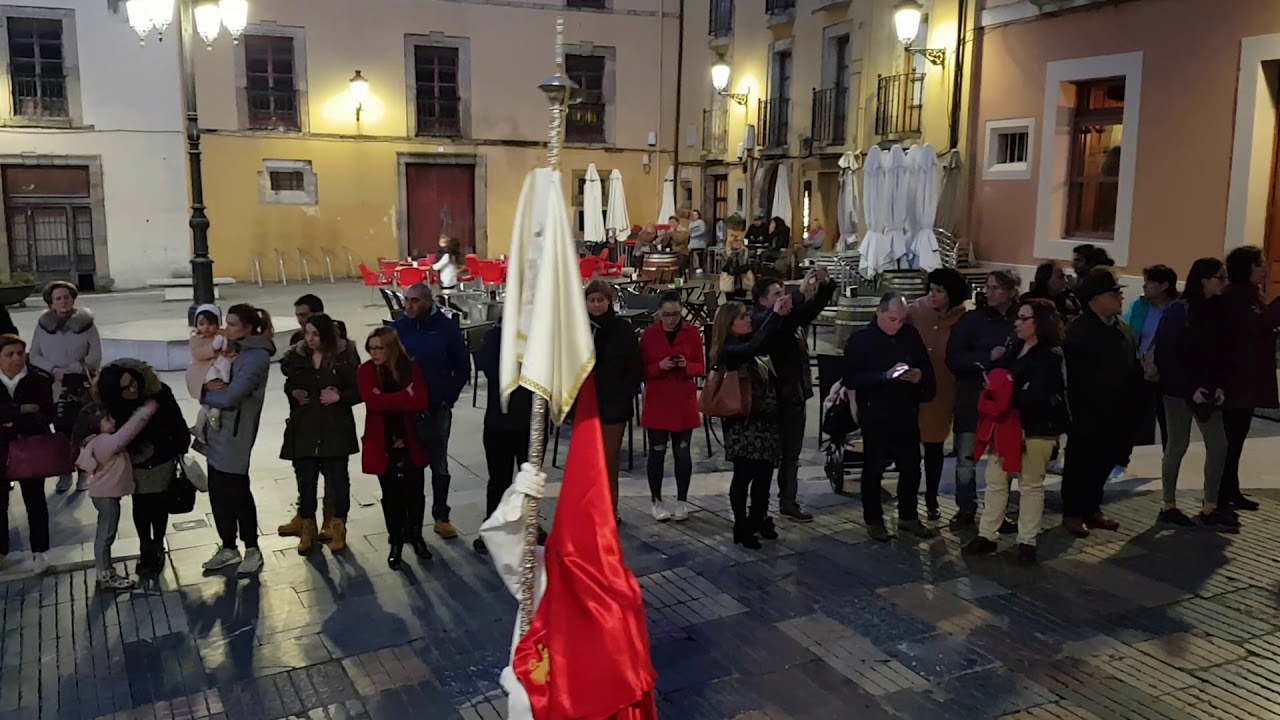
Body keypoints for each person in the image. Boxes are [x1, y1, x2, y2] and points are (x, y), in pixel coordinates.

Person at [963, 299, 1068, 564]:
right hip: (1006, 424)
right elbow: (1001, 378)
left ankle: (1027, 542)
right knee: (996, 480)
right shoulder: (1015, 347)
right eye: (1017, 318)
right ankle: (987, 535)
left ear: (1040, 323)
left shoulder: (1050, 354)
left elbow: (1040, 394)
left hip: (1036, 428)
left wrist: (1007, 395)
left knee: (1030, 483)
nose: (1017, 323)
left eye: (1024, 318)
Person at [843, 293, 937, 542]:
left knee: (911, 466)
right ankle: (874, 519)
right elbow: (852, 378)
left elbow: (925, 366)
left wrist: (919, 375)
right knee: (874, 467)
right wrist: (883, 376)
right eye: (892, 319)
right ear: (879, 312)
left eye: (902, 319)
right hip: (876, 412)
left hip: (905, 410)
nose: (897, 325)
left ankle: (908, 516)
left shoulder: (909, 335)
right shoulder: (862, 340)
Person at [750, 270, 837, 523]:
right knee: (767, 458)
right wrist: (800, 294)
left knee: (792, 456)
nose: (783, 299)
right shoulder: (763, 321)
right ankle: (760, 508)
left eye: (783, 293)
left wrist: (826, 286)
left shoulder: (788, 321)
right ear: (763, 301)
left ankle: (788, 501)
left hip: (794, 397)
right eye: (777, 295)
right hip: (772, 401)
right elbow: (775, 328)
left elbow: (808, 313)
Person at [1154, 258, 1235, 528]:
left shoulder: (1219, 310)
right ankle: (1168, 504)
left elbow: (1224, 352)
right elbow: (1167, 354)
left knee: (1219, 445)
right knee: (1178, 444)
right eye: (1220, 278)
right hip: (1179, 390)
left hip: (1209, 389)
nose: (1224, 283)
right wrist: (1190, 388)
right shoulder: (1179, 311)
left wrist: (1221, 385)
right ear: (1204, 280)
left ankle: (1210, 505)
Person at [1061, 269, 1140, 538]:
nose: (1120, 297)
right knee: (1080, 462)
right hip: (1086, 412)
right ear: (1095, 299)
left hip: (1117, 411)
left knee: (1105, 461)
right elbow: (1072, 376)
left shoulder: (1122, 329)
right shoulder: (1079, 332)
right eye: (1114, 293)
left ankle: (1092, 508)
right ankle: (1072, 512)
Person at [199, 304, 275, 575]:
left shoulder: (256, 357)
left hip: (236, 433)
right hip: (218, 430)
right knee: (218, 490)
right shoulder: (235, 349)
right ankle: (228, 546)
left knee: (237, 491)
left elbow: (233, 397)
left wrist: (202, 393)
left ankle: (252, 548)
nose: (225, 329)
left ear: (247, 328)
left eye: (232, 324)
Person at [95, 360, 191, 574]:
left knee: (158, 503)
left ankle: (156, 544)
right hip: (135, 461)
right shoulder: (113, 406)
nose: (133, 389)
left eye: (133, 382)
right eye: (125, 388)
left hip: (161, 457)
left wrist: (163, 446)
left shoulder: (158, 394)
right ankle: (145, 545)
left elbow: (177, 425)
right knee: (141, 504)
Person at [710, 297, 792, 548]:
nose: (749, 320)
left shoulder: (749, 342)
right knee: (745, 474)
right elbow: (753, 348)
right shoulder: (730, 350)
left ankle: (759, 519)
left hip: (766, 421)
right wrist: (775, 315)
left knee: (765, 474)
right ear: (730, 325)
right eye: (743, 317)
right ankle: (741, 525)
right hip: (743, 422)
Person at [391, 283, 470, 539]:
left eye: (414, 301)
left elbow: (461, 367)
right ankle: (409, 520)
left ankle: (441, 516)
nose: (409, 306)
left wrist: (448, 397)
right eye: (406, 300)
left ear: (428, 301)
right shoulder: (398, 329)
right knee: (408, 467)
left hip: (437, 407)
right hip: (406, 409)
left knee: (439, 464)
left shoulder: (446, 329)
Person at [280, 314, 362, 555]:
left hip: (335, 429)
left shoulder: (343, 358)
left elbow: (359, 389)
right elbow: (289, 382)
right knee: (306, 482)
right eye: (307, 333)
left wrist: (340, 397)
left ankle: (337, 527)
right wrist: (293, 392)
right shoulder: (297, 357)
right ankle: (307, 529)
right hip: (305, 427)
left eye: (315, 334)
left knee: (338, 482)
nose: (310, 339)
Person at [945, 269, 1019, 530]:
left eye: (996, 288)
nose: (988, 292)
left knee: (1002, 460)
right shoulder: (971, 320)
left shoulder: (1019, 320)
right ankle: (966, 509)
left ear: (1010, 292)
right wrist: (988, 358)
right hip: (973, 399)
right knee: (966, 458)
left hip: (1006, 405)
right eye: (987, 287)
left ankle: (998, 511)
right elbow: (953, 358)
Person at [357, 327, 432, 569]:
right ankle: (396, 541)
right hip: (383, 441)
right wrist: (403, 396)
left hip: (410, 439)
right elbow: (373, 402)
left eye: (379, 348)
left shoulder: (411, 369)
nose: (374, 353)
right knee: (390, 495)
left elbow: (420, 400)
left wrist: (392, 399)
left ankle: (417, 536)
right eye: (371, 348)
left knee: (415, 492)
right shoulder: (366, 371)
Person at [1218, 245, 1280, 512]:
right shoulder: (1235, 297)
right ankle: (1220, 495)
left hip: (1248, 379)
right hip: (1236, 381)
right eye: (1260, 264)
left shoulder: (1252, 297)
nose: (1265, 269)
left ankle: (1231, 489)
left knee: (1238, 439)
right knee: (1228, 441)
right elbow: (1254, 327)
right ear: (1246, 268)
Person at [74, 400, 158, 591]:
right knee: (106, 535)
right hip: (106, 496)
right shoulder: (103, 442)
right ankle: (105, 574)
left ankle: (104, 571)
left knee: (104, 533)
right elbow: (125, 436)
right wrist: (143, 413)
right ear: (96, 424)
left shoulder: (96, 441)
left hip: (103, 494)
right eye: (107, 419)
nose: (113, 421)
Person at [909, 268, 970, 520]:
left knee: (934, 447)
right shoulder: (915, 310)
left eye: (940, 291)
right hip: (913, 388)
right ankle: (909, 499)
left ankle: (931, 497)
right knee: (910, 448)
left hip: (944, 389)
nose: (933, 295)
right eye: (931, 290)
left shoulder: (963, 317)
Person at [29, 280, 101, 493]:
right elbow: (34, 355)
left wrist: (75, 368)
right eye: (58, 298)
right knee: (60, 431)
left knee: (81, 430)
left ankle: (83, 472)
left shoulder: (86, 323)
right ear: (51, 302)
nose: (63, 301)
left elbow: (95, 355)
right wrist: (52, 369)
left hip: (79, 384)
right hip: (52, 386)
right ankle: (64, 472)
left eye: (67, 297)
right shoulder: (42, 325)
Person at [640, 292, 705, 522]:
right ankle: (656, 500)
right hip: (658, 401)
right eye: (666, 315)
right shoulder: (649, 336)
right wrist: (659, 366)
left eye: (676, 314)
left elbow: (701, 367)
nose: (671, 320)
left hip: (682, 401)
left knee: (683, 453)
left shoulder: (692, 333)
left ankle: (682, 500)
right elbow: (641, 370)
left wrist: (686, 365)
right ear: (659, 313)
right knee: (657, 454)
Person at [472, 323, 536, 555]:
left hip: (531, 421)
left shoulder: (537, 336)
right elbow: (490, 369)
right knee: (498, 479)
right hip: (500, 420)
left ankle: (530, 525)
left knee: (530, 478)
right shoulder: (494, 337)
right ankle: (495, 526)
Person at [584, 279, 643, 520]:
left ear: (609, 301)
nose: (596, 305)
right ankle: (587, 509)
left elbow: (634, 366)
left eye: (601, 300)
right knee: (586, 461)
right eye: (592, 300)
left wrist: (624, 392)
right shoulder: (578, 329)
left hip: (614, 404)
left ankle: (609, 510)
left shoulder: (622, 329)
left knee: (608, 461)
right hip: (586, 404)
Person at [1114, 264, 1178, 480]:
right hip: (1138, 369)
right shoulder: (1140, 306)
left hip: (1166, 373)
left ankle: (1170, 465)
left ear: (1164, 286)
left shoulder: (1176, 310)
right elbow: (1128, 331)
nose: (1145, 286)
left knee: (1168, 420)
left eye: (1150, 282)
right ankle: (1120, 460)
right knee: (1128, 417)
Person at [0, 334, 53, 574]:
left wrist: (13, 423)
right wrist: (19, 410)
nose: (16, 358)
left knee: (35, 500)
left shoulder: (38, 380)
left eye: (20, 353)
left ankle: (40, 551)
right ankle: (1, 552)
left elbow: (45, 416)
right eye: (9, 354)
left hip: (30, 448)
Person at [188, 304, 231, 444]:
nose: (206, 328)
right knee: (209, 403)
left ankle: (199, 427)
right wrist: (213, 347)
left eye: (211, 324)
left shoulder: (222, 335)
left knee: (213, 403)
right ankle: (204, 424)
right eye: (201, 324)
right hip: (204, 372)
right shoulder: (195, 339)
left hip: (219, 371)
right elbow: (198, 354)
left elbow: (228, 350)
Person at [432, 235, 466, 313]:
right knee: (443, 300)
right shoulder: (452, 255)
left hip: (447, 281)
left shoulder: (447, 256)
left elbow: (438, 266)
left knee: (443, 301)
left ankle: (461, 312)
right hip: (451, 279)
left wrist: (431, 267)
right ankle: (460, 312)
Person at [719, 231, 753, 302]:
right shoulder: (725, 253)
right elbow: (724, 268)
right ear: (731, 242)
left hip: (742, 282)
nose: (739, 243)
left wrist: (736, 270)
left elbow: (748, 266)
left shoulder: (745, 252)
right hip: (729, 282)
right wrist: (730, 257)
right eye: (736, 241)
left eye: (741, 241)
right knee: (730, 303)